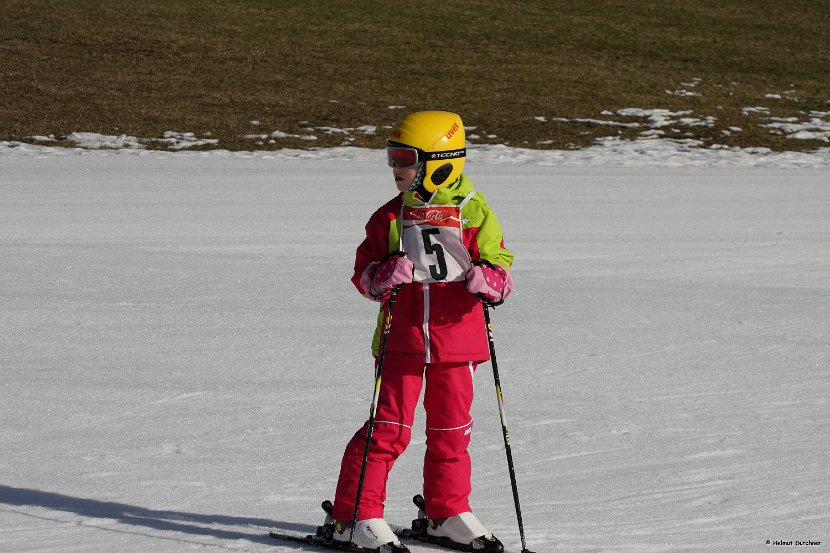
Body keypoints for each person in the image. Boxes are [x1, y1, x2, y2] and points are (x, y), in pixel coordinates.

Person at [325, 111, 514, 553]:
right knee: (388, 429)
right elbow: (363, 276)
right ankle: (354, 516)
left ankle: (444, 511)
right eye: (391, 159)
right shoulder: (389, 218)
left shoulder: (474, 212)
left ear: (440, 162)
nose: (395, 170)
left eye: (405, 160)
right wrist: (383, 274)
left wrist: (490, 281)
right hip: (402, 340)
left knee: (452, 432)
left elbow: (502, 265)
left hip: (458, 342)